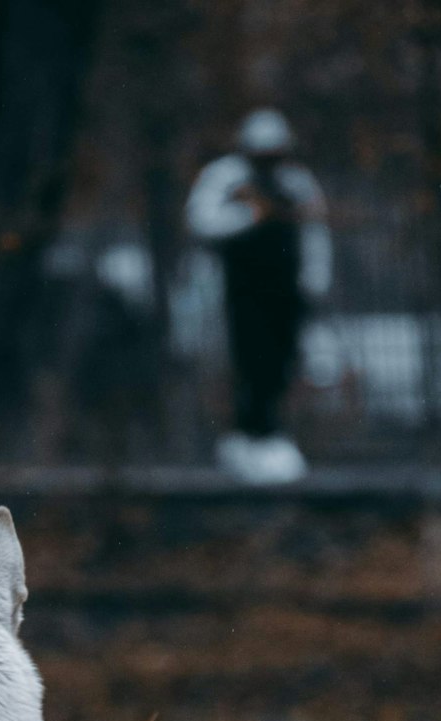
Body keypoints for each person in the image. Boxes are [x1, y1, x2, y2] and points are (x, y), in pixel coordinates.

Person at [186, 109, 332, 484]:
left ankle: (270, 438)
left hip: (285, 288)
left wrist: (315, 279)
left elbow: (314, 229)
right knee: (247, 362)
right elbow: (201, 221)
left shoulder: (297, 182)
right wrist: (251, 216)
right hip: (239, 291)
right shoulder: (224, 177)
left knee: (281, 361)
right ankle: (248, 440)